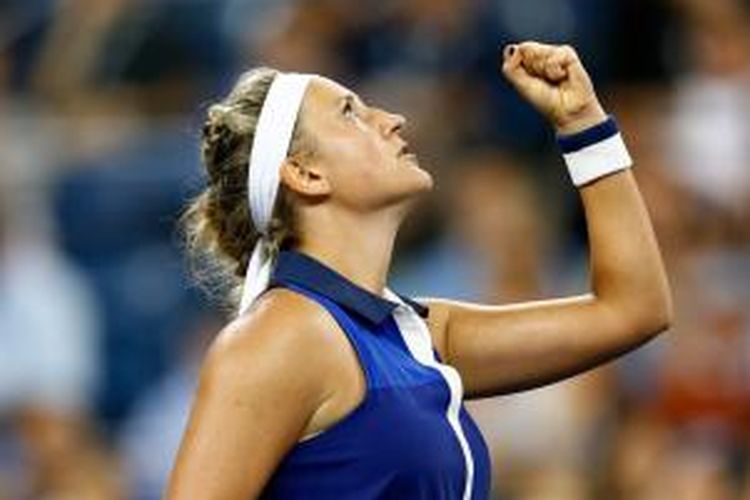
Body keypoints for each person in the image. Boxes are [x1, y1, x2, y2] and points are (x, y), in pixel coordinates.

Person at [167, 42, 672, 499]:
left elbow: (634, 309)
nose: (393, 119)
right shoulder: (280, 336)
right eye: (351, 113)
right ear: (305, 173)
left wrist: (582, 122)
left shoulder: (417, 337)